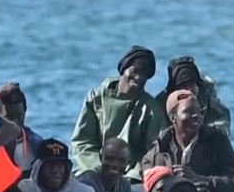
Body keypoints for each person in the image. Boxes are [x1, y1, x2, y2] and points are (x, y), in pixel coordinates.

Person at [71, 46, 166, 175]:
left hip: (131, 177)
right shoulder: (96, 98)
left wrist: (131, 176)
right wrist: (98, 169)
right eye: (135, 71)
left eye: (145, 74)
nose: (139, 77)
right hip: (95, 171)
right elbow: (82, 142)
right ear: (124, 69)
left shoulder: (151, 109)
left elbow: (153, 152)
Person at [141, 90, 234, 192]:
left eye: (199, 112)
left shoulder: (217, 141)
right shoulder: (159, 149)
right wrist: (171, 183)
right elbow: (149, 187)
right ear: (173, 118)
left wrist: (205, 182)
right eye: (188, 112)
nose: (196, 116)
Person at [154, 56, 231, 136]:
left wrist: (205, 132)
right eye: (183, 86)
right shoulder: (160, 106)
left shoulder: (207, 98)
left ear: (197, 85)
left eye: (192, 84)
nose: (188, 90)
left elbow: (223, 120)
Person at [0, 82, 44, 173]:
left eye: (19, 116)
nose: (14, 122)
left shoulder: (36, 143)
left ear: (25, 112)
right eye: (9, 117)